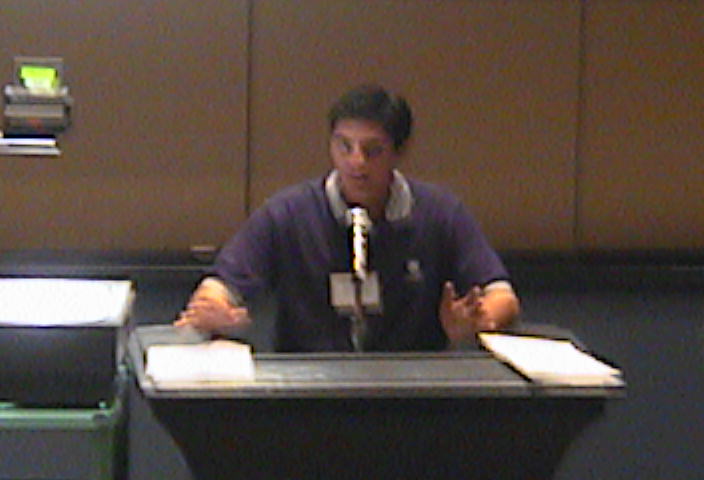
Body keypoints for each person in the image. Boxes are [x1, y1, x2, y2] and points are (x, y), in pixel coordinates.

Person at [175, 84, 520, 352]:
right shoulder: (288, 213)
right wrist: (214, 308)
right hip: (307, 392)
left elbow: (502, 295)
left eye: (372, 151)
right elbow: (219, 286)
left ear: (399, 151)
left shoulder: (440, 212)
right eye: (344, 146)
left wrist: (480, 320)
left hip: (413, 391)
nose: (356, 162)